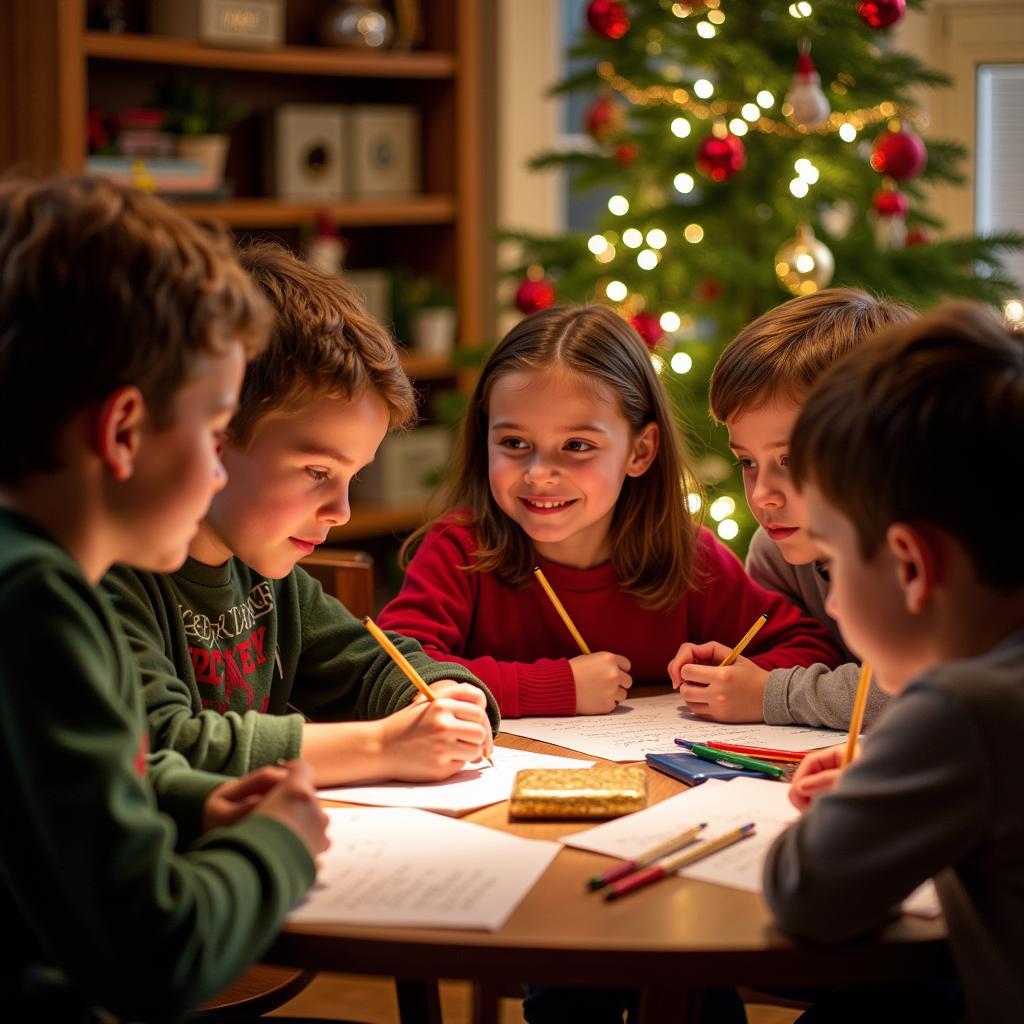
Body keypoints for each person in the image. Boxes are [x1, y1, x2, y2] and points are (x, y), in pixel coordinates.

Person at [0, 176, 329, 1022]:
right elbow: (159, 951)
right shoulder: (37, 604)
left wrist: (194, 802)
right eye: (216, 433)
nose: (220, 473)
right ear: (123, 432)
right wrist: (277, 846)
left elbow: (53, 818)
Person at [104, 241, 498, 784]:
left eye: (352, 477)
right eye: (317, 473)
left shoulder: (269, 577)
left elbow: (370, 662)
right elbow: (168, 745)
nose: (341, 510)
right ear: (215, 435)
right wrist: (381, 745)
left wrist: (445, 694)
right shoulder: (111, 579)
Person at [378, 304, 839, 718]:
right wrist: (555, 686)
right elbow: (394, 668)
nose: (539, 474)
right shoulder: (460, 550)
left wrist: (740, 677)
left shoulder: (686, 558)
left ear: (640, 451)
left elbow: (812, 648)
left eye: (576, 446)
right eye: (514, 443)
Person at [763, 303, 1024, 1024]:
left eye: (834, 560)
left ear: (909, 565)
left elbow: (807, 893)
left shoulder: (962, 711)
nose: (834, 600)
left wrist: (883, 786)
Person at [676, 289, 914, 726]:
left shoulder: (942, 550)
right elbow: (809, 656)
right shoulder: (777, 551)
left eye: (793, 459)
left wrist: (774, 692)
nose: (763, 494)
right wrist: (751, 668)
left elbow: (928, 688)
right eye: (747, 462)